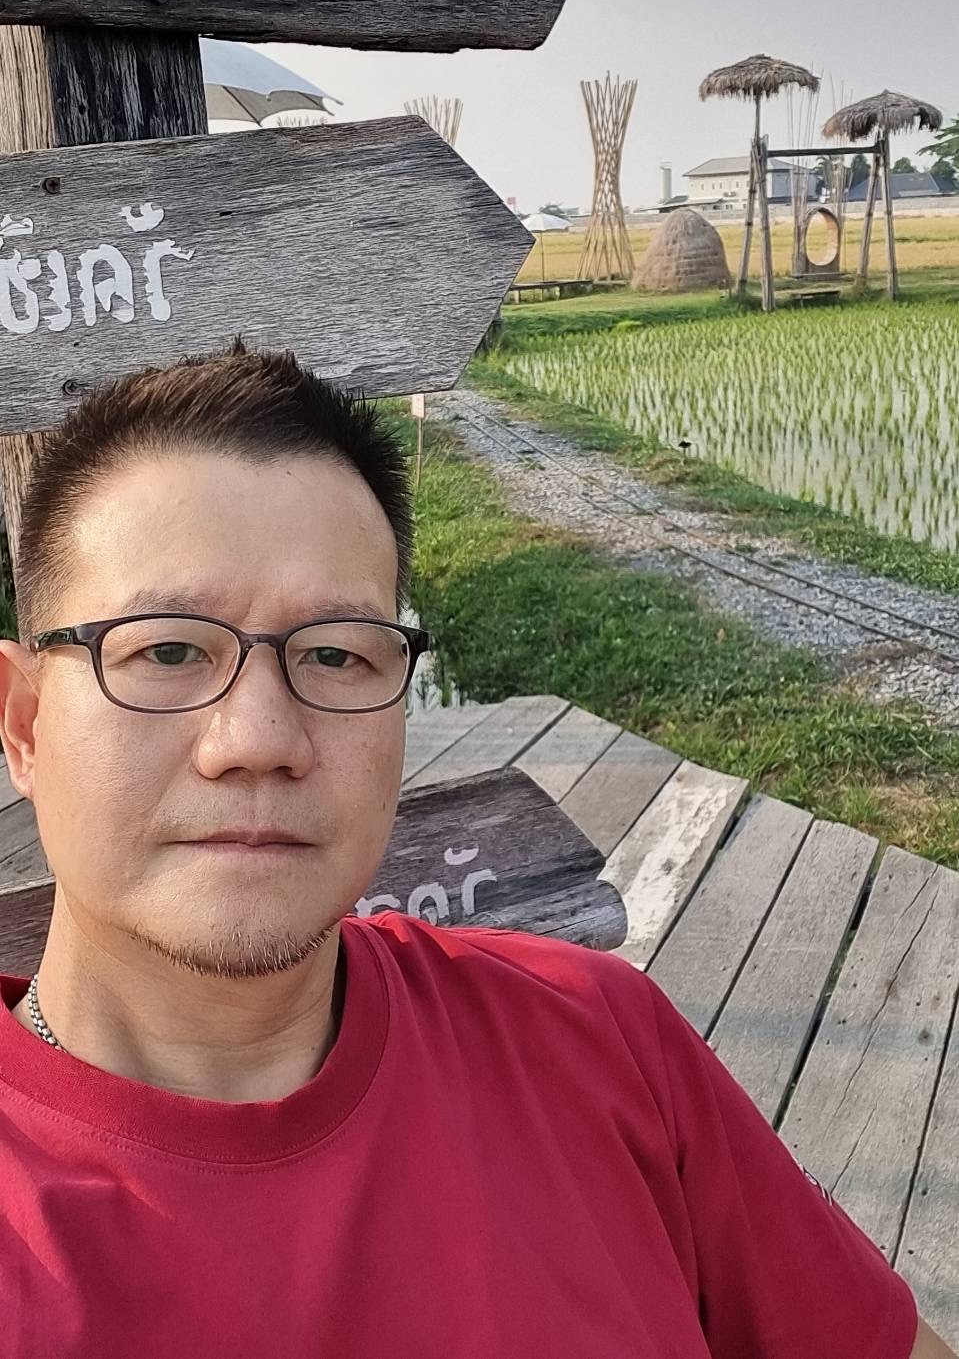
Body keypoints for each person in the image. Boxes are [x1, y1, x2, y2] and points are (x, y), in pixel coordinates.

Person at [0, 341, 949, 1359]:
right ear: (25, 722)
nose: (259, 739)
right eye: (167, 649)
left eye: (335, 653)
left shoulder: (596, 1035)